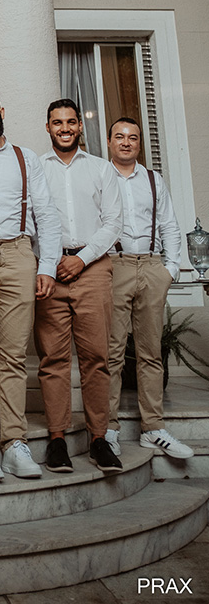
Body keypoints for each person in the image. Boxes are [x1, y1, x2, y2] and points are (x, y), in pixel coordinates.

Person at [0, 89, 61, 482]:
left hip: (20, 253)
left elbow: (46, 213)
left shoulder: (26, 158)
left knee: (15, 355)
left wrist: (47, 265)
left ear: (1, 111)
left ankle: (15, 442)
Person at [36, 98, 124, 474]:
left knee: (96, 358)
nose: (65, 128)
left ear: (79, 126)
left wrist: (81, 259)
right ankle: (57, 439)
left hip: (92, 269)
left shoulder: (102, 169)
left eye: (71, 122)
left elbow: (113, 223)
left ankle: (99, 439)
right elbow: (32, 220)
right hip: (50, 270)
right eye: (57, 122)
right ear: (48, 127)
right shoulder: (37, 168)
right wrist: (51, 262)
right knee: (53, 360)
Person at [105, 118, 193, 460]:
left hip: (152, 266)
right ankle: (109, 429)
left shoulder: (154, 180)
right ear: (110, 142)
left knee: (150, 353)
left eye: (133, 137)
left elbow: (170, 225)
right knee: (112, 353)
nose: (126, 142)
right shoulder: (101, 177)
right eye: (120, 137)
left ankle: (152, 428)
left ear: (139, 143)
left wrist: (169, 270)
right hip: (115, 266)